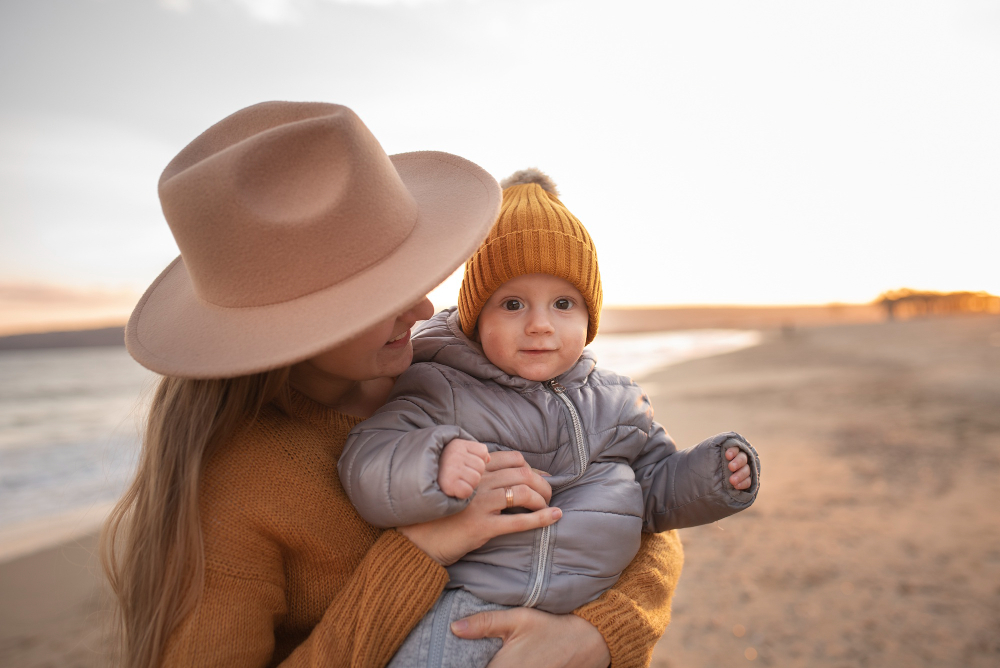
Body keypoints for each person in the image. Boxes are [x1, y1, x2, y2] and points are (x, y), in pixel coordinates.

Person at [101, 102, 685, 668]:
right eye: (380, 291)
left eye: (412, 269)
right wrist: (419, 551)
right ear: (285, 326)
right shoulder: (236, 492)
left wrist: (600, 634)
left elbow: (631, 492)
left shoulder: (451, 364)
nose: (425, 306)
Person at [341, 169, 762, 668]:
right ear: (476, 320)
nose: (540, 324)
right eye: (512, 304)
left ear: (589, 318)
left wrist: (711, 477)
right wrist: (435, 463)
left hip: (582, 612)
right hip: (468, 611)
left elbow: (653, 492)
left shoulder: (619, 401)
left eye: (563, 303)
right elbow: (367, 458)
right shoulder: (443, 385)